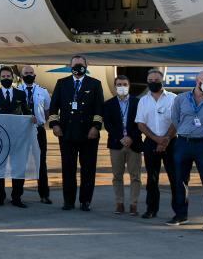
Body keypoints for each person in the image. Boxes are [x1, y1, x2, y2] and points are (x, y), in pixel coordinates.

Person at [47, 55, 105, 211]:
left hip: (88, 134)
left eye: (81, 64)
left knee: (88, 169)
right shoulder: (62, 83)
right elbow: (53, 108)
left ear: (86, 66)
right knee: (68, 168)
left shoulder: (95, 84)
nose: (78, 67)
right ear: (69, 66)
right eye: (75, 64)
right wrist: (54, 125)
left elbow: (99, 109)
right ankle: (69, 201)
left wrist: (96, 127)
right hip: (67, 133)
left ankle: (85, 201)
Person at [167, 70, 203, 229]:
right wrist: (185, 132)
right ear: (197, 81)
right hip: (183, 143)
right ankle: (180, 215)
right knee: (180, 181)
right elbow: (175, 119)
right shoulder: (181, 99)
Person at [135, 69, 176, 219]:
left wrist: (165, 139)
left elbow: (176, 121)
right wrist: (156, 139)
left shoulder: (173, 98)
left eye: (156, 80)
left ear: (162, 80)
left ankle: (179, 211)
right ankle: (151, 209)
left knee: (175, 177)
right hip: (151, 143)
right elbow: (140, 123)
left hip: (171, 142)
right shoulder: (143, 101)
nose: (153, 83)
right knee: (152, 179)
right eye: (150, 80)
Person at [0, 65, 30, 207]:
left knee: (18, 167)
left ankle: (17, 197)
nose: (6, 79)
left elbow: (26, 112)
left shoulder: (20, 94)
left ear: (13, 78)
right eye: (3, 77)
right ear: (0, 78)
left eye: (8, 77)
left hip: (17, 138)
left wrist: (32, 118)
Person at [102, 75, 143, 215]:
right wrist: (121, 137)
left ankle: (133, 204)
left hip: (134, 143)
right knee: (117, 176)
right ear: (115, 87)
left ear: (129, 86)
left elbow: (141, 123)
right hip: (116, 144)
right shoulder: (108, 104)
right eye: (119, 84)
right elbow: (108, 124)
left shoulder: (138, 103)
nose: (122, 87)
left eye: (125, 84)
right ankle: (119, 203)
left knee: (135, 176)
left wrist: (131, 137)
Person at [18, 65, 52, 204]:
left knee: (41, 162)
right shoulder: (17, 91)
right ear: (22, 75)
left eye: (31, 73)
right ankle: (17, 194)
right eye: (26, 73)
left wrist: (40, 121)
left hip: (38, 130)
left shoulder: (43, 92)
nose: (29, 75)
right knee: (20, 162)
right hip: (21, 131)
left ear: (35, 75)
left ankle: (44, 194)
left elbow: (47, 111)